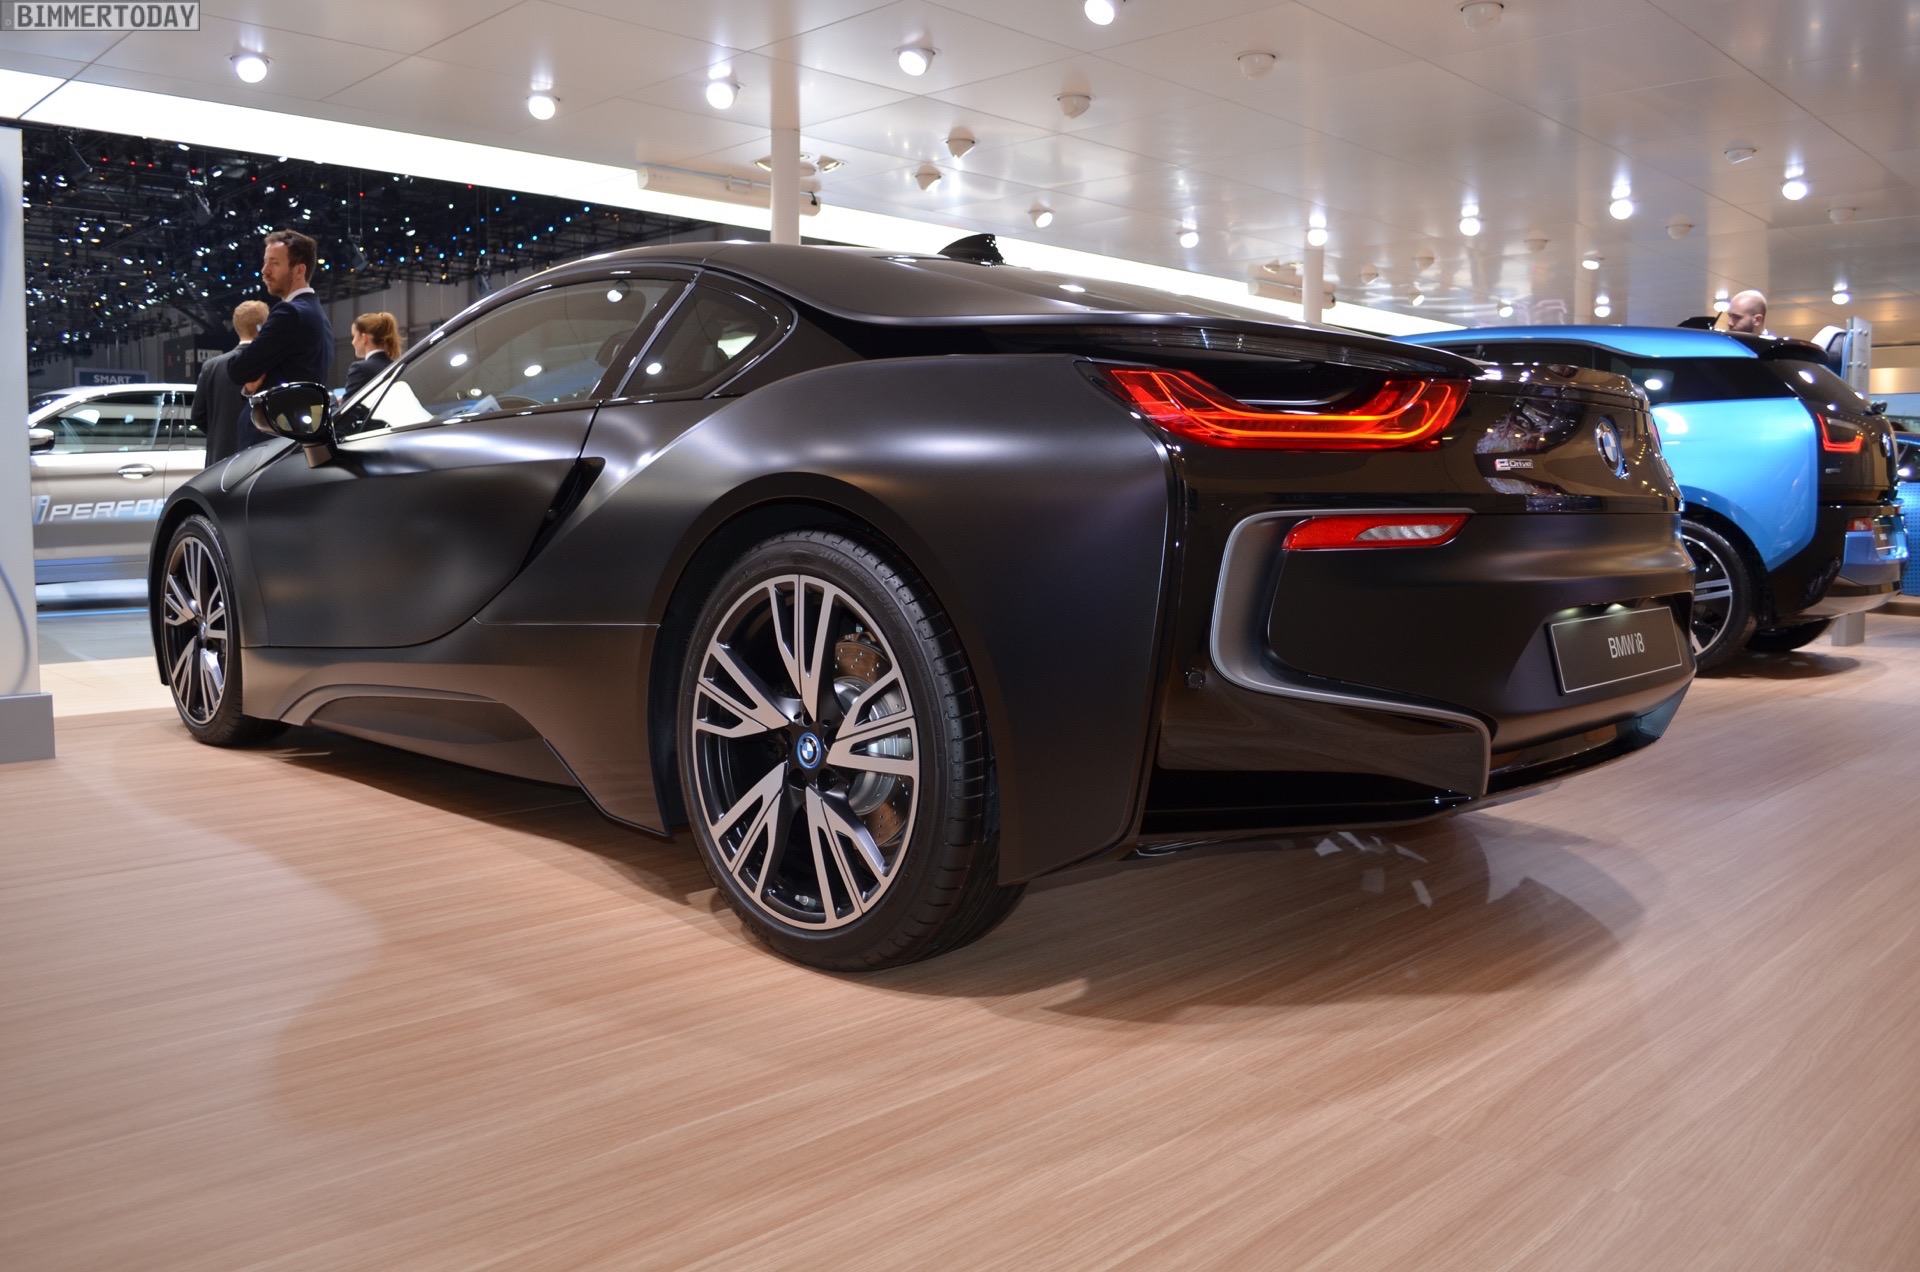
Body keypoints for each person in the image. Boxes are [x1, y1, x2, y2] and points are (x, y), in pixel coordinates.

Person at [226, 229, 333, 420]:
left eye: (274, 263)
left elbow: (238, 370)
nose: (265, 270)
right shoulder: (317, 313)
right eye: (265, 261)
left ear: (299, 270)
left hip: (275, 430)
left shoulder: (290, 313)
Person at [195, 299, 270, 466]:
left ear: (236, 327)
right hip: (260, 459)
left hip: (219, 460)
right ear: (264, 326)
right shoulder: (272, 365)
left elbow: (198, 415)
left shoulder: (211, 367)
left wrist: (220, 435)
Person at [343, 311, 402, 396]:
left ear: (364, 338)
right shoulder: (398, 367)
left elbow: (348, 404)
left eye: (354, 336)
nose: (353, 342)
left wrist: (333, 399)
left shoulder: (360, 369)